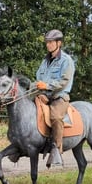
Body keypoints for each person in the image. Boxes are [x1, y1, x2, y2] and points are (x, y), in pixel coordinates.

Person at [35, 29, 75, 166]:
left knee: (55, 117)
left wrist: (46, 85)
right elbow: (38, 77)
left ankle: (57, 150)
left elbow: (64, 82)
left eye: (51, 42)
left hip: (60, 97)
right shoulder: (45, 61)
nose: (48, 45)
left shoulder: (66, 60)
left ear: (59, 43)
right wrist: (37, 88)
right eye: (47, 42)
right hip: (44, 95)